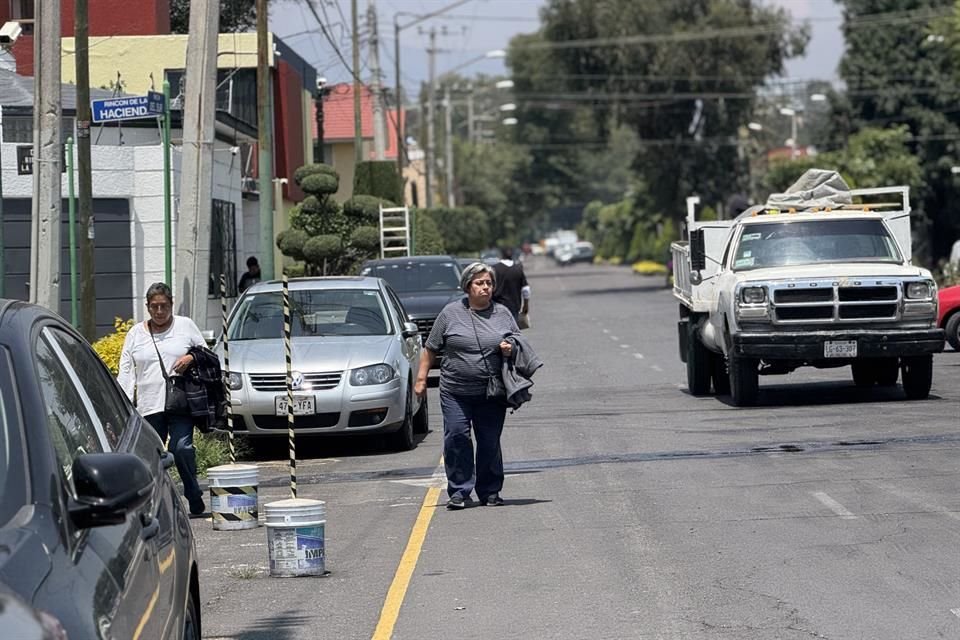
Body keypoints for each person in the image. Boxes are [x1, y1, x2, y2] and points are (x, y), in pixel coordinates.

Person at [415, 262, 519, 509]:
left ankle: (490, 491)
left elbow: (518, 341)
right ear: (467, 286)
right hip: (455, 391)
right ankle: (460, 491)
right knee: (456, 436)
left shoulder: (503, 313)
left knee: (489, 441)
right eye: (479, 283)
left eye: (489, 283)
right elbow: (430, 348)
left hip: (491, 391)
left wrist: (510, 347)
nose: (485, 287)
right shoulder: (450, 313)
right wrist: (421, 379)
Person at [118, 282, 208, 516]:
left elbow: (206, 354)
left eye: (164, 306)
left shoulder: (185, 326)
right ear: (147, 307)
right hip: (149, 406)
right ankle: (159, 504)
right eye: (154, 306)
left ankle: (193, 493)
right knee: (153, 456)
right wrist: (124, 403)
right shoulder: (135, 333)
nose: (159, 311)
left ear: (171, 304)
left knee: (181, 448)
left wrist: (190, 358)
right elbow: (126, 370)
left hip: (180, 402)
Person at [492, 247, 530, 323]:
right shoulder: (518, 268)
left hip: (497, 306)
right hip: (514, 306)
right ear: (512, 254)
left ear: (501, 254)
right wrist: (525, 305)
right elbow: (526, 289)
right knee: (513, 328)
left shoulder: (494, 268)